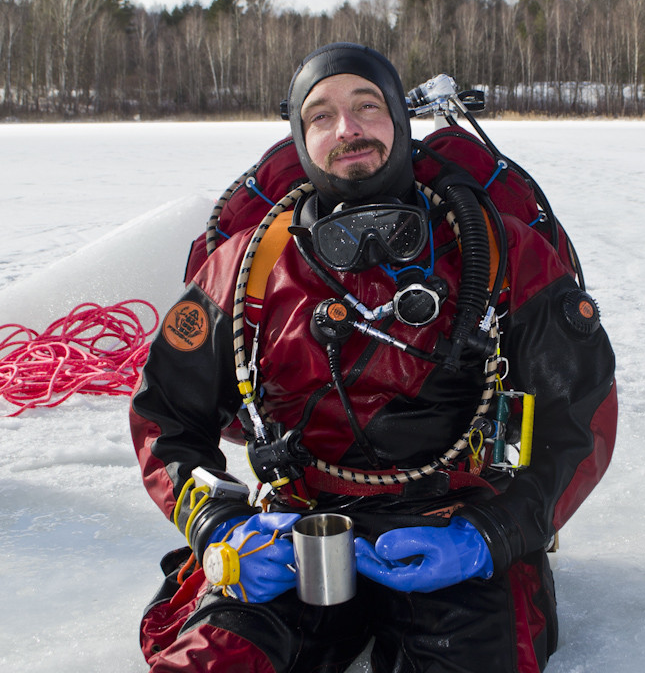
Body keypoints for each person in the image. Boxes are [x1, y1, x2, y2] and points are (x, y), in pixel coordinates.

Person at [130, 42, 618, 673]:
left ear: (401, 121)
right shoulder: (243, 269)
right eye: (321, 115)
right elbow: (166, 417)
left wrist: (488, 536)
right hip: (295, 533)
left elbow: (577, 421)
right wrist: (221, 527)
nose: (347, 129)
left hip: (452, 522)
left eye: (367, 106)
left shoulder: (504, 254)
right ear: (301, 140)